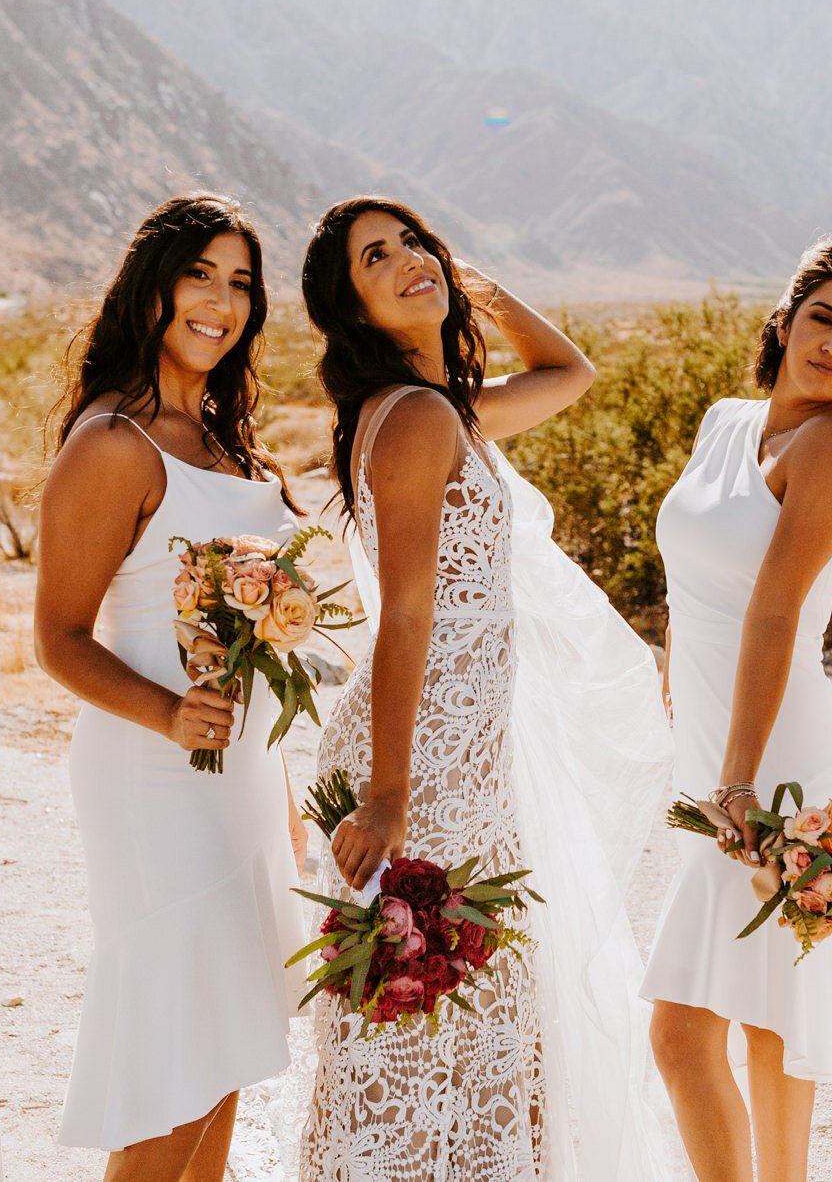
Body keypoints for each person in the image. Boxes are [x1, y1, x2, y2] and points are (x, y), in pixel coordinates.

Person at [298, 196, 674, 1180]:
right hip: (420, 763)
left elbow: (568, 374)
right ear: (351, 307)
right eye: (376, 258)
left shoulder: (442, 407)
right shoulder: (418, 418)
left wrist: (476, 290)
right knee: (417, 1023)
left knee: (458, 1023)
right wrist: (388, 793)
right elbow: (407, 614)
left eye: (415, 240)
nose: (408, 259)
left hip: (464, 753)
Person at [37, 194, 309, 1182]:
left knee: (227, 1040)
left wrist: (280, 802)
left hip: (240, 773)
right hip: (148, 774)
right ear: (152, 287)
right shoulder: (113, 444)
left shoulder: (237, 449)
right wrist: (166, 710)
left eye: (240, 283)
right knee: (172, 1060)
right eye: (201, 274)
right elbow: (57, 638)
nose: (221, 301)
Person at [642, 235, 832, 1182]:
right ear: (787, 321)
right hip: (710, 752)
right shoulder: (726, 421)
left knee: (710, 1031)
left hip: (772, 769)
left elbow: (771, 614)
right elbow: (690, 582)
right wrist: (680, 698)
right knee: (753, 1017)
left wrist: (738, 782)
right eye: (823, 318)